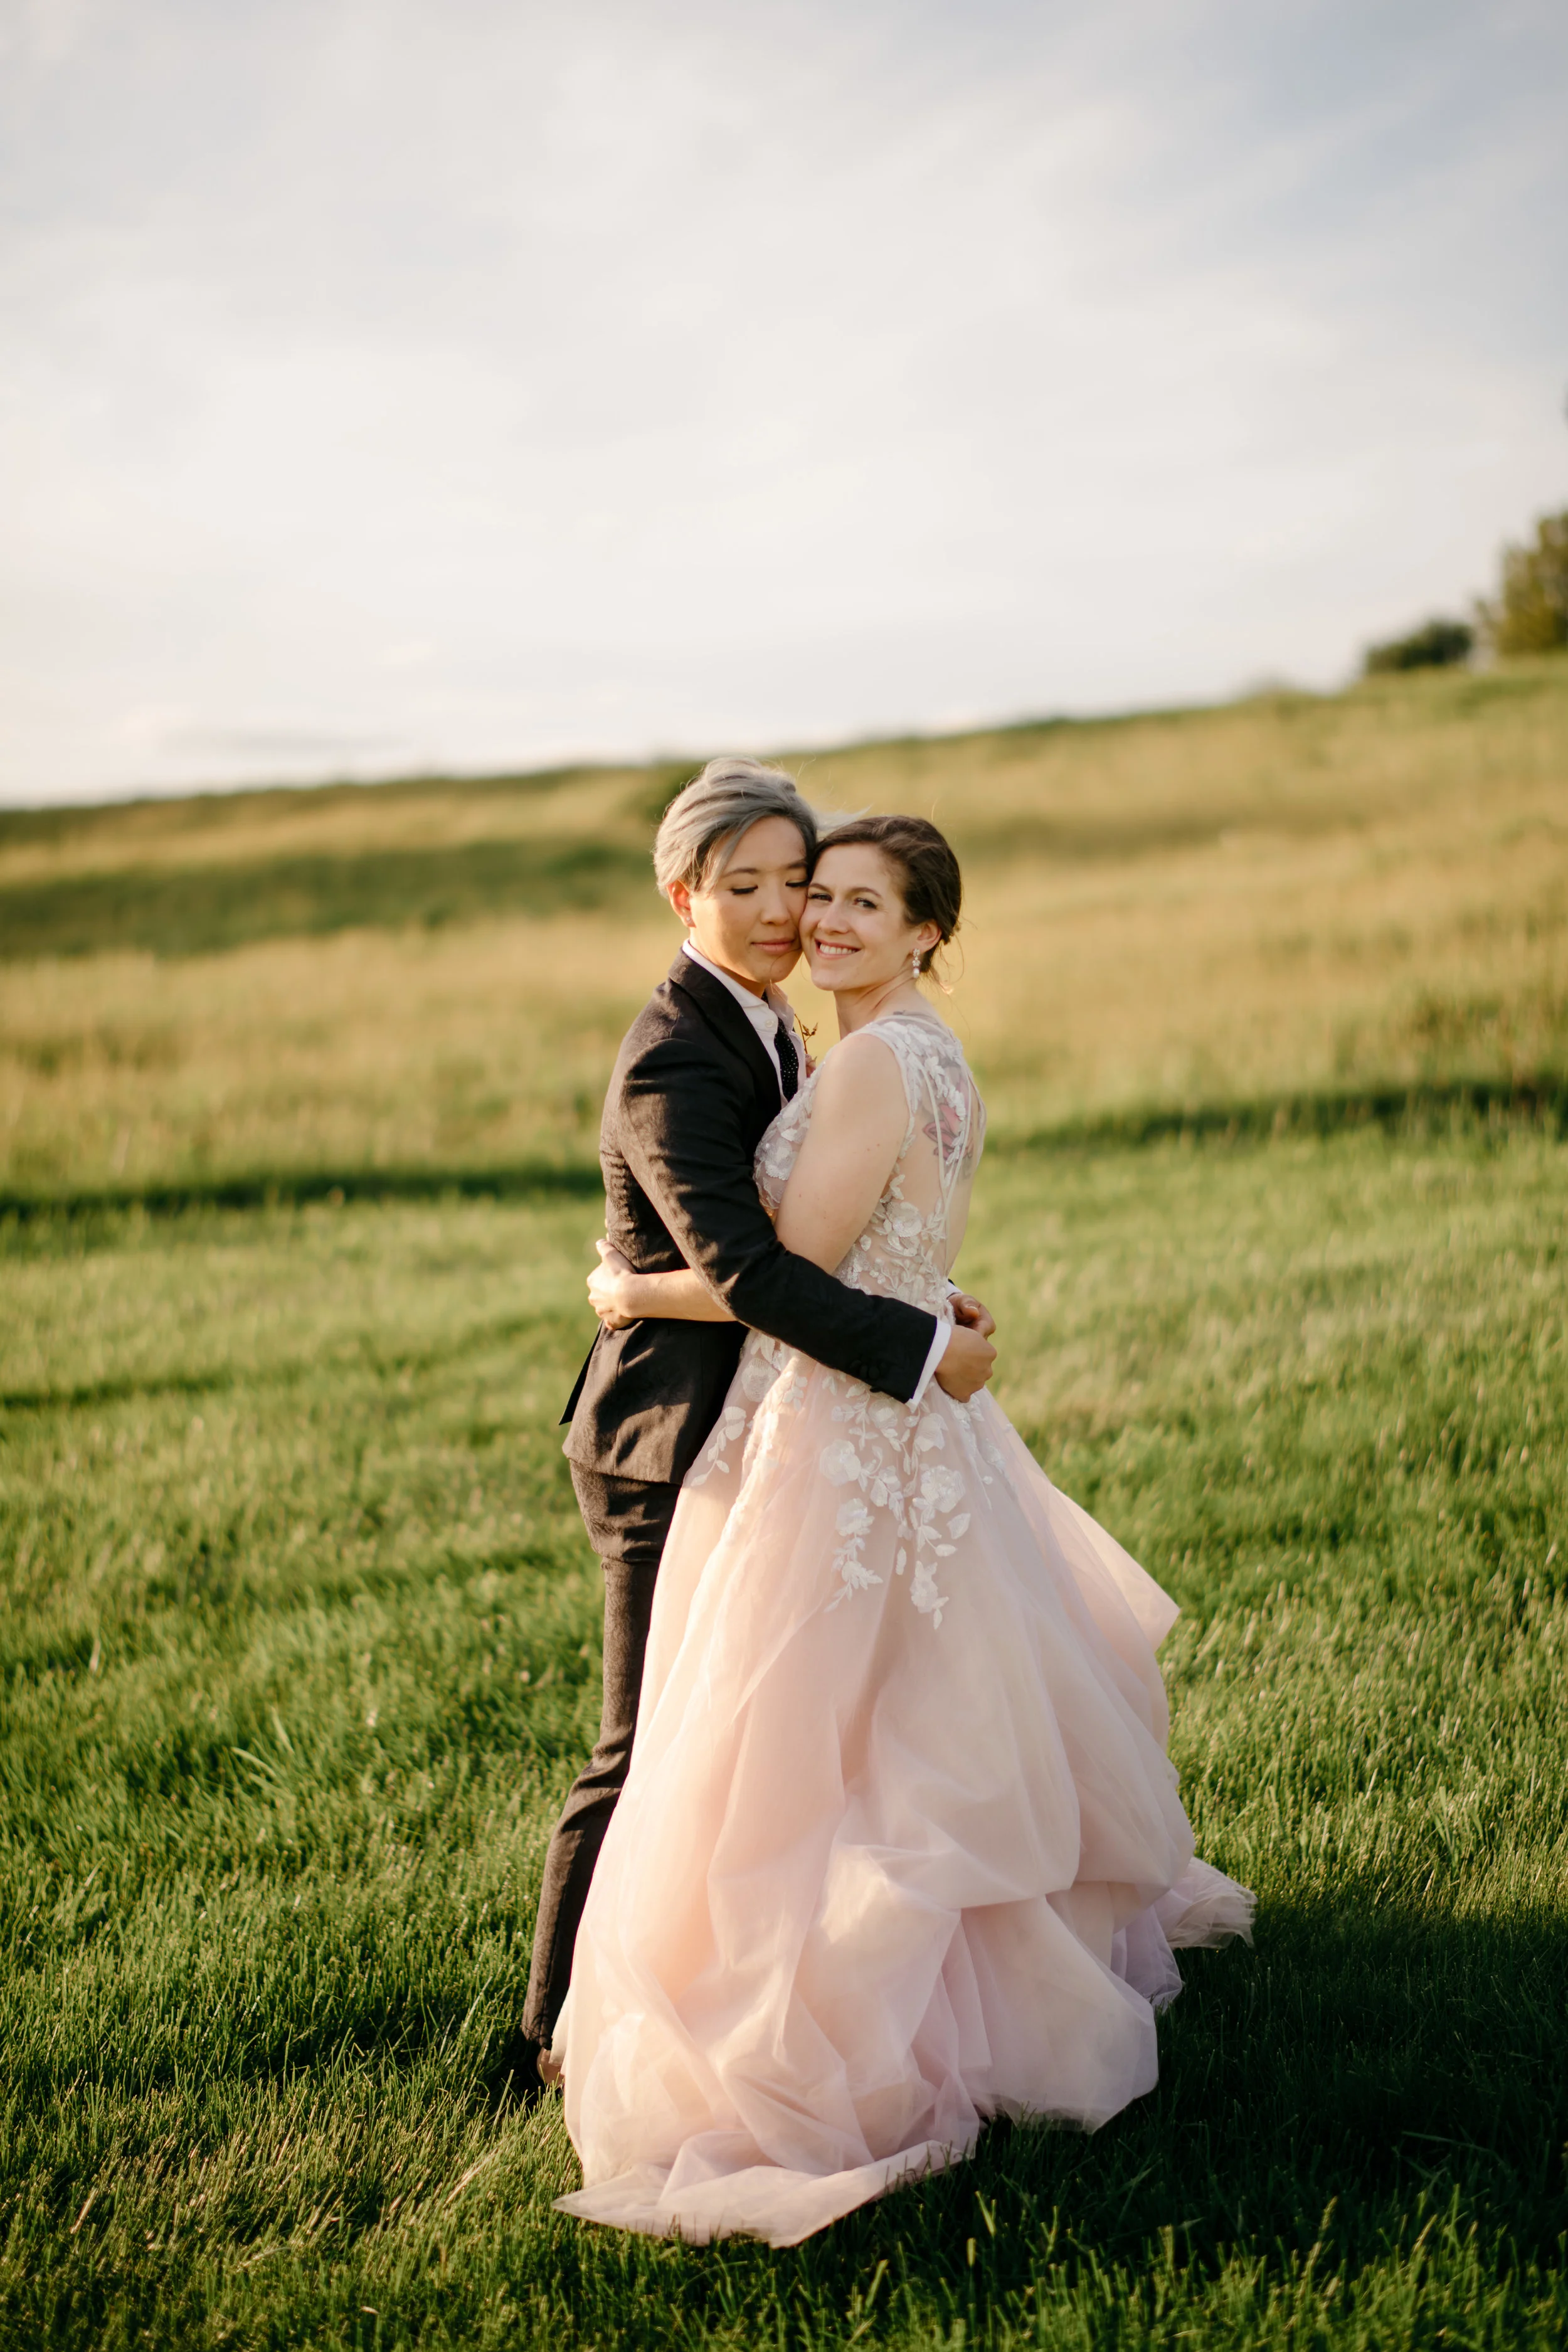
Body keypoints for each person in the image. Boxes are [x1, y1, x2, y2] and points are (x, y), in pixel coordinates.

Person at [549, 813, 1253, 2246]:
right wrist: (928, 1317)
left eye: (861, 903)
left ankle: (808, 2024)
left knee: (794, 1743)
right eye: (820, 897)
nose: (823, 922)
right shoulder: (910, 1051)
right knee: (896, 1727)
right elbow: (884, 1241)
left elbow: (778, 1267)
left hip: (838, 1428)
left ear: (929, 928)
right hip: (889, 1417)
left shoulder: (869, 1056)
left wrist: (629, 1292)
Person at [509, 763, 999, 2102]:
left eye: (803, 880)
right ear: (684, 894)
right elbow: (748, 1271)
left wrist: (918, 1299)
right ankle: (547, 2031)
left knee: (757, 1730)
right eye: (751, 886)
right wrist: (921, 1349)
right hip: (660, 1437)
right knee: (644, 1738)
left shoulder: (783, 1023)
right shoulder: (677, 1045)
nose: (785, 909)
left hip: (769, 1412)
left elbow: (831, 1230)